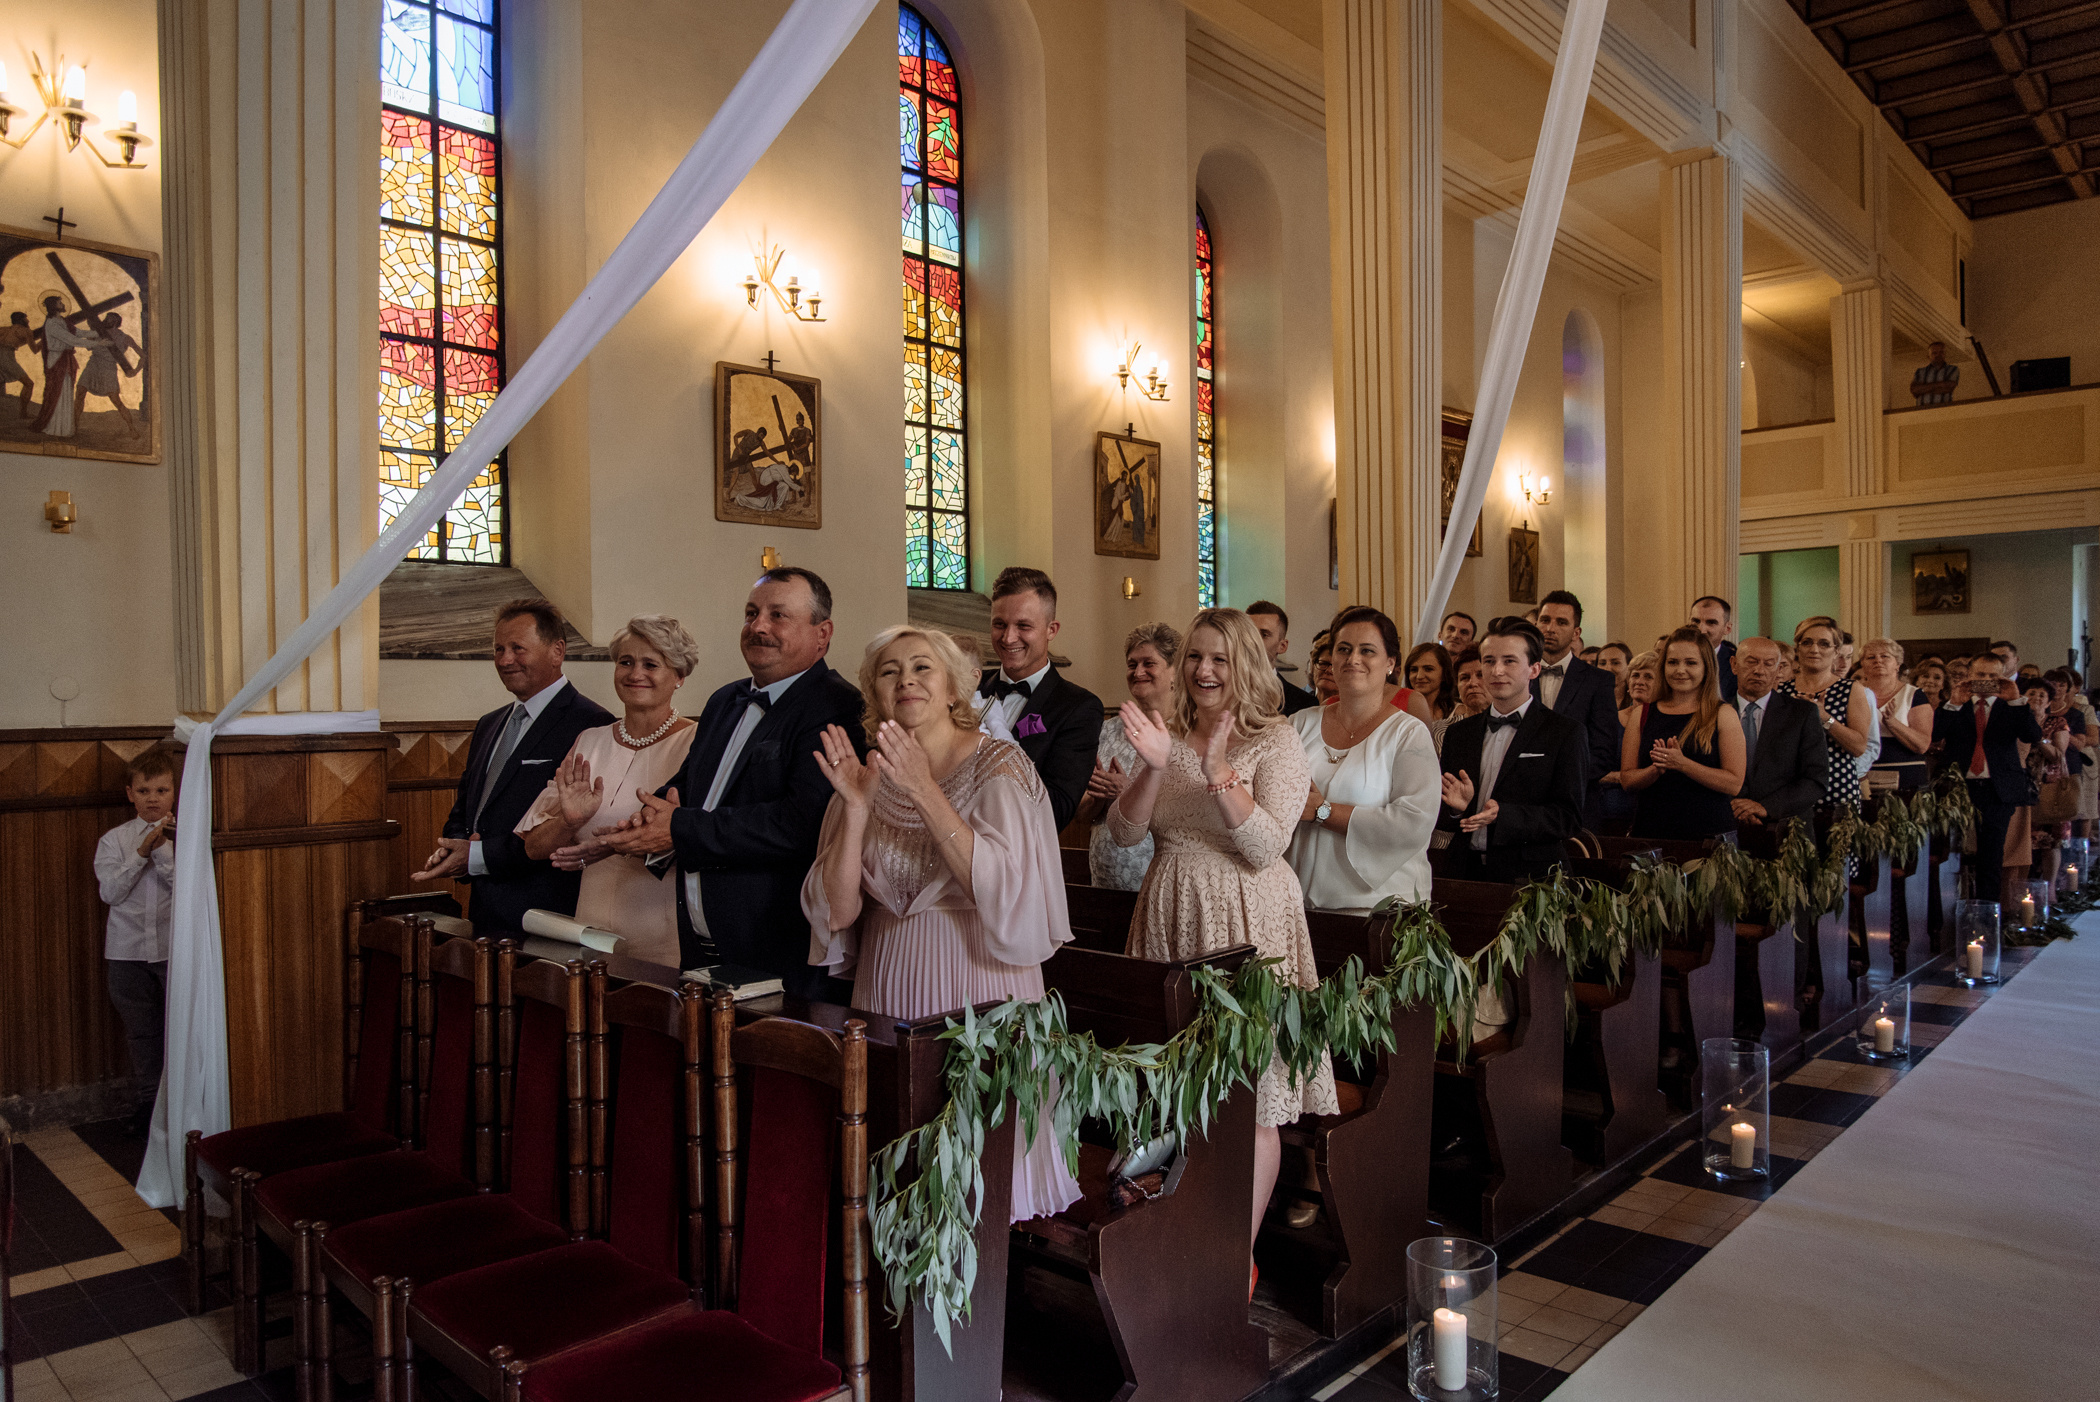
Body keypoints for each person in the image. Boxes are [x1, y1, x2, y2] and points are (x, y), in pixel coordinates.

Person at [804, 626, 1081, 1222]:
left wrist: (925, 790)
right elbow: (840, 912)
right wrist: (854, 809)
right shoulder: (867, 773)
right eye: (889, 670)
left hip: (979, 979)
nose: (905, 679)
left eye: (922, 667)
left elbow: (1003, 891)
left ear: (955, 686)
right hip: (887, 979)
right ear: (874, 694)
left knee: (979, 1169)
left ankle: (984, 1305)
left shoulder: (998, 764)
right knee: (904, 1165)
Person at [1107, 608, 1338, 1292]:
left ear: (1247, 666)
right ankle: (1166, 1230)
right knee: (1167, 1085)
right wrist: (1153, 768)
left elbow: (1268, 847)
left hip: (1248, 920)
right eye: (1195, 658)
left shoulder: (1278, 741)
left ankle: (1236, 1251)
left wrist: (1217, 772)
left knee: (1251, 1094)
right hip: (1169, 908)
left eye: (1220, 659)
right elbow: (1123, 836)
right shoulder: (1166, 734)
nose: (1204, 671)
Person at [591, 567, 865, 996]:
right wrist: (646, 820)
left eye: (778, 616)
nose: (758, 627)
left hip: (777, 939)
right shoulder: (725, 699)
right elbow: (690, 788)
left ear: (822, 633)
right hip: (699, 934)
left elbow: (800, 825)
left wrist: (677, 827)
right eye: (751, 613)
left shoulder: (836, 704)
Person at [415, 599, 614, 930]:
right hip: (484, 907)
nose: (505, 660)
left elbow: (566, 828)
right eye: (498, 649)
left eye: (518, 648)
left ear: (557, 651)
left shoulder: (591, 724)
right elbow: (466, 807)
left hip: (545, 911)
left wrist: (476, 858)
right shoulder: (489, 724)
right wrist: (454, 848)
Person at [515, 617, 700, 965]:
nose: (635, 673)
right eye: (625, 662)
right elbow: (534, 847)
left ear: (679, 676)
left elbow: (699, 839)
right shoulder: (591, 740)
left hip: (664, 936)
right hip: (586, 935)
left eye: (651, 664)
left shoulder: (697, 743)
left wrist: (612, 843)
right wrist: (568, 823)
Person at [1290, 607, 1441, 913]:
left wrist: (1323, 811)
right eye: (1343, 649)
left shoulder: (1408, 733)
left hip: (1381, 911)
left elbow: (1414, 822)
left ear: (1390, 663)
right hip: (1297, 906)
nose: (1353, 659)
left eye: (1367, 650)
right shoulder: (1299, 725)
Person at [1435, 617, 1587, 882]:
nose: (1496, 671)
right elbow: (1443, 815)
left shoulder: (1564, 732)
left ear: (1534, 669)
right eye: (1489, 661)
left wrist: (1505, 816)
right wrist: (1458, 809)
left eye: (1509, 661)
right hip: (1465, 872)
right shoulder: (1460, 733)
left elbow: (1568, 818)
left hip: (1531, 877)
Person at [969, 567, 1106, 830]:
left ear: (1051, 630)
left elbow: (1057, 810)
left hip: (1022, 858)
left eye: (1023, 626)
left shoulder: (1078, 707)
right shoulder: (967, 686)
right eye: (999, 624)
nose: (1008, 638)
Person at [95, 748, 179, 1136]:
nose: (152, 798)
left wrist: (163, 853)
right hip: (126, 952)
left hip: (172, 950)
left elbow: (186, 891)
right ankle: (149, 1105)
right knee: (142, 1031)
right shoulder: (113, 841)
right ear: (130, 793)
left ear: (174, 792)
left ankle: (179, 1106)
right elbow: (111, 892)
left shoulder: (184, 838)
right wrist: (141, 853)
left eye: (161, 789)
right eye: (144, 790)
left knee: (179, 1028)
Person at [1075, 623, 1181, 890]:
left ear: (1175, 672)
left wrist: (1129, 792)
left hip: (1162, 882)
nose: (1138, 672)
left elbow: (1189, 812)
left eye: (1149, 663)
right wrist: (1098, 797)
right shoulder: (1108, 730)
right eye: (1132, 664)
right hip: (1105, 880)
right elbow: (1083, 815)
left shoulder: (1188, 733)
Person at [1932, 652, 2042, 901]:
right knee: (1948, 851)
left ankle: (1986, 916)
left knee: (1991, 855)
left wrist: (2015, 700)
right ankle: (1950, 910)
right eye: (1980, 675)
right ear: (1970, 675)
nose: (1986, 680)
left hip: (1997, 788)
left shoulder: (2012, 705)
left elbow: (2032, 736)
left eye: (1993, 676)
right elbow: (1934, 733)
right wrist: (1954, 703)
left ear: (2003, 677)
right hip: (1957, 786)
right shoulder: (1955, 704)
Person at [1618, 627, 1744, 839]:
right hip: (1651, 830)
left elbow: (1733, 784)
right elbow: (1627, 780)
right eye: (1673, 662)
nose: (1680, 670)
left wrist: (1682, 764)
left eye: (1691, 663)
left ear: (1706, 667)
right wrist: (1655, 770)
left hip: (1708, 833)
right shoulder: (1642, 713)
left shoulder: (1722, 713)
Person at [1532, 590, 1622, 821]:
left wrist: (1562, 778)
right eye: (1545, 620)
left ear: (1576, 632)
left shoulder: (1598, 681)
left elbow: (1604, 749)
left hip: (1578, 800)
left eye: (1561, 622)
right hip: (1525, 800)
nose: (1550, 628)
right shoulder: (1520, 674)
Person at [1776, 616, 1874, 812]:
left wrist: (1824, 718)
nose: (1814, 649)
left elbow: (1859, 746)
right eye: (1807, 642)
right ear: (1797, 649)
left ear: (1836, 651)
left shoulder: (1851, 689)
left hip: (1837, 790)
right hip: (1791, 792)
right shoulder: (1781, 691)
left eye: (1824, 644)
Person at [1730, 638, 1829, 828]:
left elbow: (1816, 778)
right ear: (1734, 665)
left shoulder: (1801, 713)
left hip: (1786, 826)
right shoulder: (1715, 712)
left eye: (1769, 664)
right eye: (1751, 662)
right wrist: (1734, 806)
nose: (1759, 670)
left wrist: (1765, 807)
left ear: (1778, 670)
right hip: (1728, 825)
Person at [1860, 638, 1933, 791]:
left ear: (1897, 665)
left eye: (1885, 656)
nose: (1878, 661)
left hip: (1906, 779)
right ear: (1863, 665)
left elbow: (1922, 745)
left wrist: (1892, 723)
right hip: (1862, 776)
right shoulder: (1855, 694)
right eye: (1871, 657)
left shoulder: (1913, 694)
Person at [1247, 600, 1319, 716]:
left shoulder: (1303, 703)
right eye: (1249, 633)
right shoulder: (1223, 691)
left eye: (1264, 635)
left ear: (1282, 646)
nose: (1253, 641)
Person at [77, 312, 142, 430]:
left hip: (108, 369)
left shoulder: (124, 338)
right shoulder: (99, 333)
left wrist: (136, 371)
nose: (106, 320)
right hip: (93, 365)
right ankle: (74, 426)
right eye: (106, 317)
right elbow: (88, 347)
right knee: (80, 392)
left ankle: (131, 428)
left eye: (110, 318)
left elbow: (143, 356)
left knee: (116, 400)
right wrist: (91, 329)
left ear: (116, 322)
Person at [1434, 647, 1486, 756]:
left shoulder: (1505, 727)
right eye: (1464, 678)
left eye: (1480, 675)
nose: (1472, 683)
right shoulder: (1439, 730)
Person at [1690, 596, 1738, 702]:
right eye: (1696, 622)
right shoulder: (1672, 659)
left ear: (1727, 628)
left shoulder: (1737, 664)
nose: (1701, 630)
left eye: (1711, 623)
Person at [1404, 642, 1457, 720]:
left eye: (1428, 669)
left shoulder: (1458, 713)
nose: (1419, 676)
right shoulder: (1398, 712)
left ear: (1444, 674)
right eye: (1414, 670)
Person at [1, 311, 35, 417]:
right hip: (6, 357)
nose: (28, 320)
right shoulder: (26, 331)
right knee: (29, 384)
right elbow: (35, 350)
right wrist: (45, 342)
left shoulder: (3, 329)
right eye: (26, 318)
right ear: (21, 320)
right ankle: (23, 413)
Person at [1910, 340, 1959, 405]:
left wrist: (1923, 388)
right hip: (1922, 411)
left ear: (1945, 354)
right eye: (1934, 353)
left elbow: (1949, 387)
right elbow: (1914, 390)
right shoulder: (1920, 372)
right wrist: (1940, 385)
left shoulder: (1952, 369)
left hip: (1944, 410)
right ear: (1928, 356)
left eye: (1941, 352)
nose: (1938, 355)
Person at [1596, 642, 1633, 708]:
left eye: (1615, 663)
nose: (1607, 669)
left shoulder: (1638, 700)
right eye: (1602, 663)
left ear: (1629, 666)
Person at [1308, 631, 1338, 703]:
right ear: (1313, 666)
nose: (1328, 670)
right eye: (1324, 663)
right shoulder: (1296, 704)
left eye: (1336, 666)